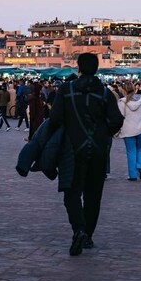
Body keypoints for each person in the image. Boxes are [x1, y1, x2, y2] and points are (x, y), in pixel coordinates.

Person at [48, 53, 124, 256]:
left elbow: (54, 118)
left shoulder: (66, 90)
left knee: (71, 192)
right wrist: (102, 133)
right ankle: (88, 235)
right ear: (97, 69)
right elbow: (116, 120)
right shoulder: (105, 93)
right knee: (93, 194)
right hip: (98, 150)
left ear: (78, 68)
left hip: (72, 149)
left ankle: (78, 229)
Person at [117, 81, 141, 181]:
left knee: (131, 152)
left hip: (128, 130)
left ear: (124, 90)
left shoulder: (121, 102)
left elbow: (119, 116)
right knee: (138, 149)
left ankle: (133, 175)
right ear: (134, 89)